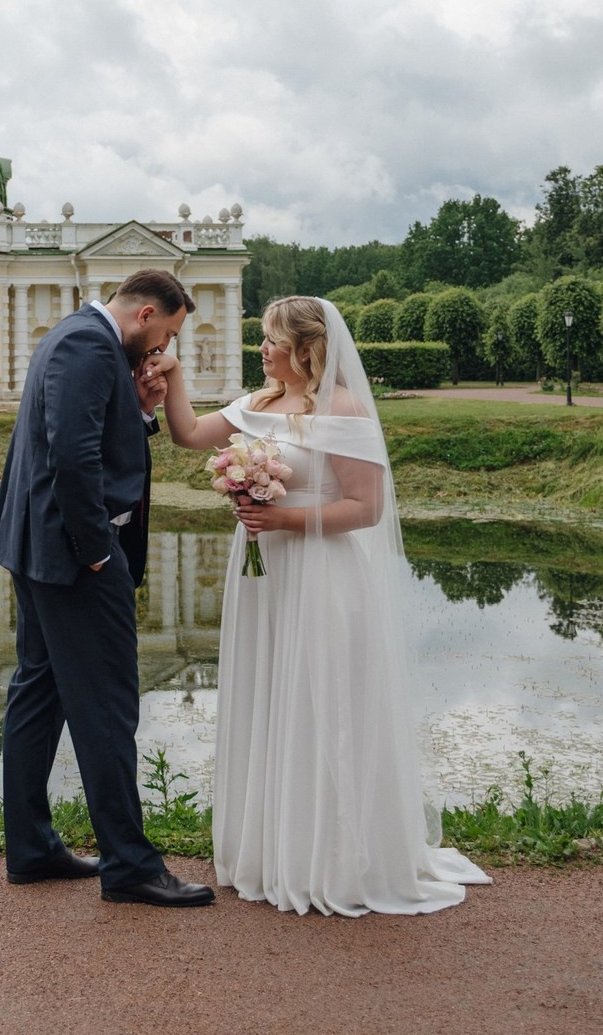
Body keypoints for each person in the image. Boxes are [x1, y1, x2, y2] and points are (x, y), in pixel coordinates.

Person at [146, 295, 489, 917]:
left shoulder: (343, 408)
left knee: (320, 698)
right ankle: (268, 848)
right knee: (268, 692)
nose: (261, 348)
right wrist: (172, 373)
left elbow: (367, 508)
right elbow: (189, 434)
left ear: (307, 348)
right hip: (263, 574)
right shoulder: (259, 403)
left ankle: (329, 856)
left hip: (322, 572)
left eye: (272, 340)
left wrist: (283, 518)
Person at [0, 269, 215, 908]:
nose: (163, 349)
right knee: (108, 707)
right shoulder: (88, 344)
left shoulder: (79, 337)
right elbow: (72, 456)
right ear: (146, 314)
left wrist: (142, 407)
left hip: (43, 548)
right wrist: (96, 553)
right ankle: (130, 866)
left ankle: (31, 849)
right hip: (74, 556)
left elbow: (95, 439)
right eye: (166, 334)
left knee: (39, 695)